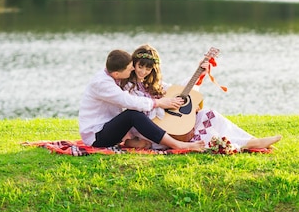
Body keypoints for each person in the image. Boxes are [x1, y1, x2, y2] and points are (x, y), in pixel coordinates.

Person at [120, 44, 281, 151]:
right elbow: (136, 107)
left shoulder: (155, 83)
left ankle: (251, 139)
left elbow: (178, 91)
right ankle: (248, 145)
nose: (143, 71)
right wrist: (162, 104)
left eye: (148, 68)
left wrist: (198, 73)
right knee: (204, 134)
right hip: (149, 128)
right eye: (140, 66)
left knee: (209, 115)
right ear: (134, 64)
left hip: (169, 122)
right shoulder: (128, 85)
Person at [78, 49, 206, 152]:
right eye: (130, 68)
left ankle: (133, 141)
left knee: (134, 115)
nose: (133, 69)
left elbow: (172, 89)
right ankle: (178, 145)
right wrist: (158, 103)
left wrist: (199, 73)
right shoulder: (102, 84)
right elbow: (128, 101)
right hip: (96, 136)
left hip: (110, 128)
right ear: (117, 74)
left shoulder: (115, 77)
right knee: (132, 114)